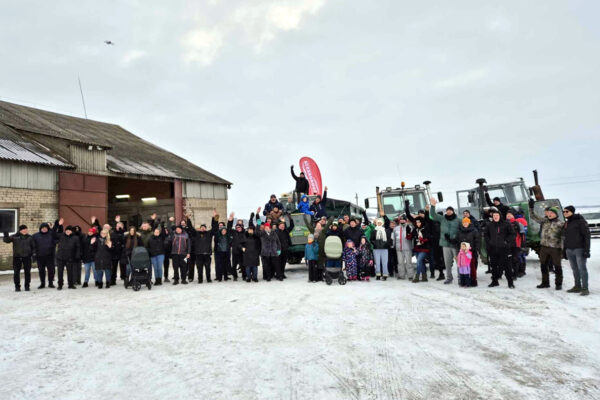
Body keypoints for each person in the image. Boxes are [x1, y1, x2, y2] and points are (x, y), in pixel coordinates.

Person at [529, 200, 564, 290]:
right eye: (549, 212)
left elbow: (565, 236)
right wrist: (531, 208)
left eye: (552, 212)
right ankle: (545, 282)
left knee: (557, 266)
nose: (550, 214)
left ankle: (558, 283)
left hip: (555, 248)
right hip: (544, 247)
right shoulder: (545, 221)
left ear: (556, 214)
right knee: (543, 265)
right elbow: (533, 216)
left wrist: (564, 248)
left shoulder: (561, 224)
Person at [429, 198, 460, 284]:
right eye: (447, 210)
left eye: (450, 210)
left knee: (459, 262)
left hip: (455, 244)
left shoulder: (458, 220)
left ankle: (460, 277)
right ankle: (449, 278)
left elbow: (464, 228)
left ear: (453, 211)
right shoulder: (442, 219)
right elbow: (432, 215)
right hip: (445, 244)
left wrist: (456, 238)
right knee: (447, 263)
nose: (449, 212)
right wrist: (433, 206)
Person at [562, 206, 591, 296]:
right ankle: (577, 286)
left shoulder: (580, 221)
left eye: (567, 211)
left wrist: (587, 250)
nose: (565, 213)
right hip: (569, 250)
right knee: (574, 269)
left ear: (572, 212)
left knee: (582, 269)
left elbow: (586, 236)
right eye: (564, 211)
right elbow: (565, 238)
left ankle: (585, 288)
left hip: (579, 249)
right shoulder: (566, 223)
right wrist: (564, 250)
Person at [484, 209, 515, 288]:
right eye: (494, 216)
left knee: (507, 266)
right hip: (493, 249)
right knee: (493, 266)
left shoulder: (506, 224)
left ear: (500, 216)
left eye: (497, 215)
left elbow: (512, 234)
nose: (495, 217)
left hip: (504, 249)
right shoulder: (489, 225)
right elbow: (486, 235)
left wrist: (506, 241)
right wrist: (489, 242)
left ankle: (510, 283)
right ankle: (495, 281)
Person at [3, 225, 35, 292]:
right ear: (20, 230)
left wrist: (33, 254)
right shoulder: (15, 236)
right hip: (17, 257)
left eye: (26, 229)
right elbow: (6, 240)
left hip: (27, 257)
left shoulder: (30, 237)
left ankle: (27, 286)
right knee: (16, 273)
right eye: (24, 229)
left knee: (27, 272)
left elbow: (33, 247)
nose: (25, 230)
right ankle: (17, 287)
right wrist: (6, 234)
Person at [190, 210, 218, 283]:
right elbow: (190, 228)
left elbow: (214, 227)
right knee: (199, 268)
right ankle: (200, 279)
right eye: (201, 227)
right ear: (200, 228)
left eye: (204, 227)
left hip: (207, 254)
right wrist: (188, 219)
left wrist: (214, 218)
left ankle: (208, 279)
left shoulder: (209, 233)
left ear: (206, 228)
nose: (203, 228)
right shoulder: (196, 234)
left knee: (208, 268)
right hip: (198, 254)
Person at [32, 221, 60, 289]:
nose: (44, 229)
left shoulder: (51, 235)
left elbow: (58, 239)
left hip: (50, 256)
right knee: (41, 270)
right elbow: (33, 246)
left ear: (48, 228)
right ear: (40, 228)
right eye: (43, 228)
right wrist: (34, 253)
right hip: (40, 256)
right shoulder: (35, 236)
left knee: (51, 270)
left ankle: (50, 283)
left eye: (45, 228)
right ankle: (42, 283)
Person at [456, 217, 480, 287]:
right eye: (464, 222)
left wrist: (476, 250)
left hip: (471, 252)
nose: (465, 224)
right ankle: (463, 281)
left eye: (466, 222)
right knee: (462, 267)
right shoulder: (459, 231)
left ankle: (473, 281)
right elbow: (457, 241)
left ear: (469, 223)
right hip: (462, 253)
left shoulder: (474, 230)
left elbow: (477, 241)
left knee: (472, 267)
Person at [55, 225, 81, 290]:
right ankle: (60, 285)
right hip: (60, 257)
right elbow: (53, 234)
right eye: (67, 230)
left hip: (70, 257)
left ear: (71, 231)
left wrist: (77, 255)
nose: (68, 231)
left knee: (70, 272)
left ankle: (71, 284)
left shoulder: (75, 238)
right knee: (60, 272)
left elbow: (78, 247)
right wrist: (57, 225)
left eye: (69, 230)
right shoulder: (61, 236)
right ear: (65, 230)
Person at [505, 209, 527, 281]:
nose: (508, 216)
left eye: (510, 215)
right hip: (506, 245)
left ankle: (516, 273)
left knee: (516, 259)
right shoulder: (504, 223)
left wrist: (522, 245)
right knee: (508, 260)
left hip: (515, 244)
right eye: (507, 215)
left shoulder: (518, 224)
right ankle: (509, 273)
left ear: (513, 216)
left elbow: (522, 235)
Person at [392, 215, 414, 280]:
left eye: (403, 219)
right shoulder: (396, 228)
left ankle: (410, 276)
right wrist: (393, 245)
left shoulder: (410, 227)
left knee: (409, 263)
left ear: (406, 220)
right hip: (399, 248)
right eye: (401, 219)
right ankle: (401, 275)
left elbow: (412, 238)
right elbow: (394, 238)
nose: (402, 220)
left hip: (408, 248)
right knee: (400, 263)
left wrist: (412, 247)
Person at [370, 216, 391, 280]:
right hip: (376, 249)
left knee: (384, 262)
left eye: (380, 223)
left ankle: (385, 274)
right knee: (377, 262)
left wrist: (386, 244)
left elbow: (389, 239)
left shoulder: (386, 230)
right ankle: (378, 274)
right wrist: (375, 244)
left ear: (382, 223)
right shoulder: (374, 231)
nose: (379, 224)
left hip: (384, 248)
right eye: (378, 223)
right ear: (376, 223)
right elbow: (371, 239)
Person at [411, 217, 431, 283]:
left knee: (419, 261)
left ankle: (417, 276)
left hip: (424, 248)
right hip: (417, 248)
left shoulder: (425, 228)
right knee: (421, 262)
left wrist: (424, 239)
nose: (418, 224)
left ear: (422, 222)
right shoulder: (415, 229)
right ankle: (424, 277)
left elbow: (428, 237)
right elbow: (411, 236)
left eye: (419, 222)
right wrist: (409, 234)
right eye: (416, 222)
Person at [214, 214, 234, 281]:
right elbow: (216, 229)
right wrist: (216, 219)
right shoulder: (218, 236)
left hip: (226, 252)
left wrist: (230, 221)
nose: (223, 231)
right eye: (222, 231)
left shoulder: (227, 236)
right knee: (219, 265)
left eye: (224, 230)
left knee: (226, 265)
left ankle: (225, 277)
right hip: (219, 252)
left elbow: (229, 228)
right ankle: (219, 277)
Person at [110, 220, 125, 286]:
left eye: (119, 226)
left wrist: (121, 232)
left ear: (122, 226)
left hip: (122, 252)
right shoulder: (112, 233)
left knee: (123, 266)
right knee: (114, 267)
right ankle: (113, 280)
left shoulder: (125, 233)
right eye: (117, 226)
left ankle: (124, 278)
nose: (118, 227)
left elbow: (124, 241)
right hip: (114, 252)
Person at [230, 216, 246, 282]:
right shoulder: (234, 233)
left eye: (239, 227)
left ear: (241, 227)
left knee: (243, 265)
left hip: (242, 252)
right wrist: (230, 221)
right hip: (235, 252)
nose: (238, 228)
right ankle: (235, 276)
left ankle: (244, 276)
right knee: (234, 265)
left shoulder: (244, 233)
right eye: (237, 227)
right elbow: (228, 228)